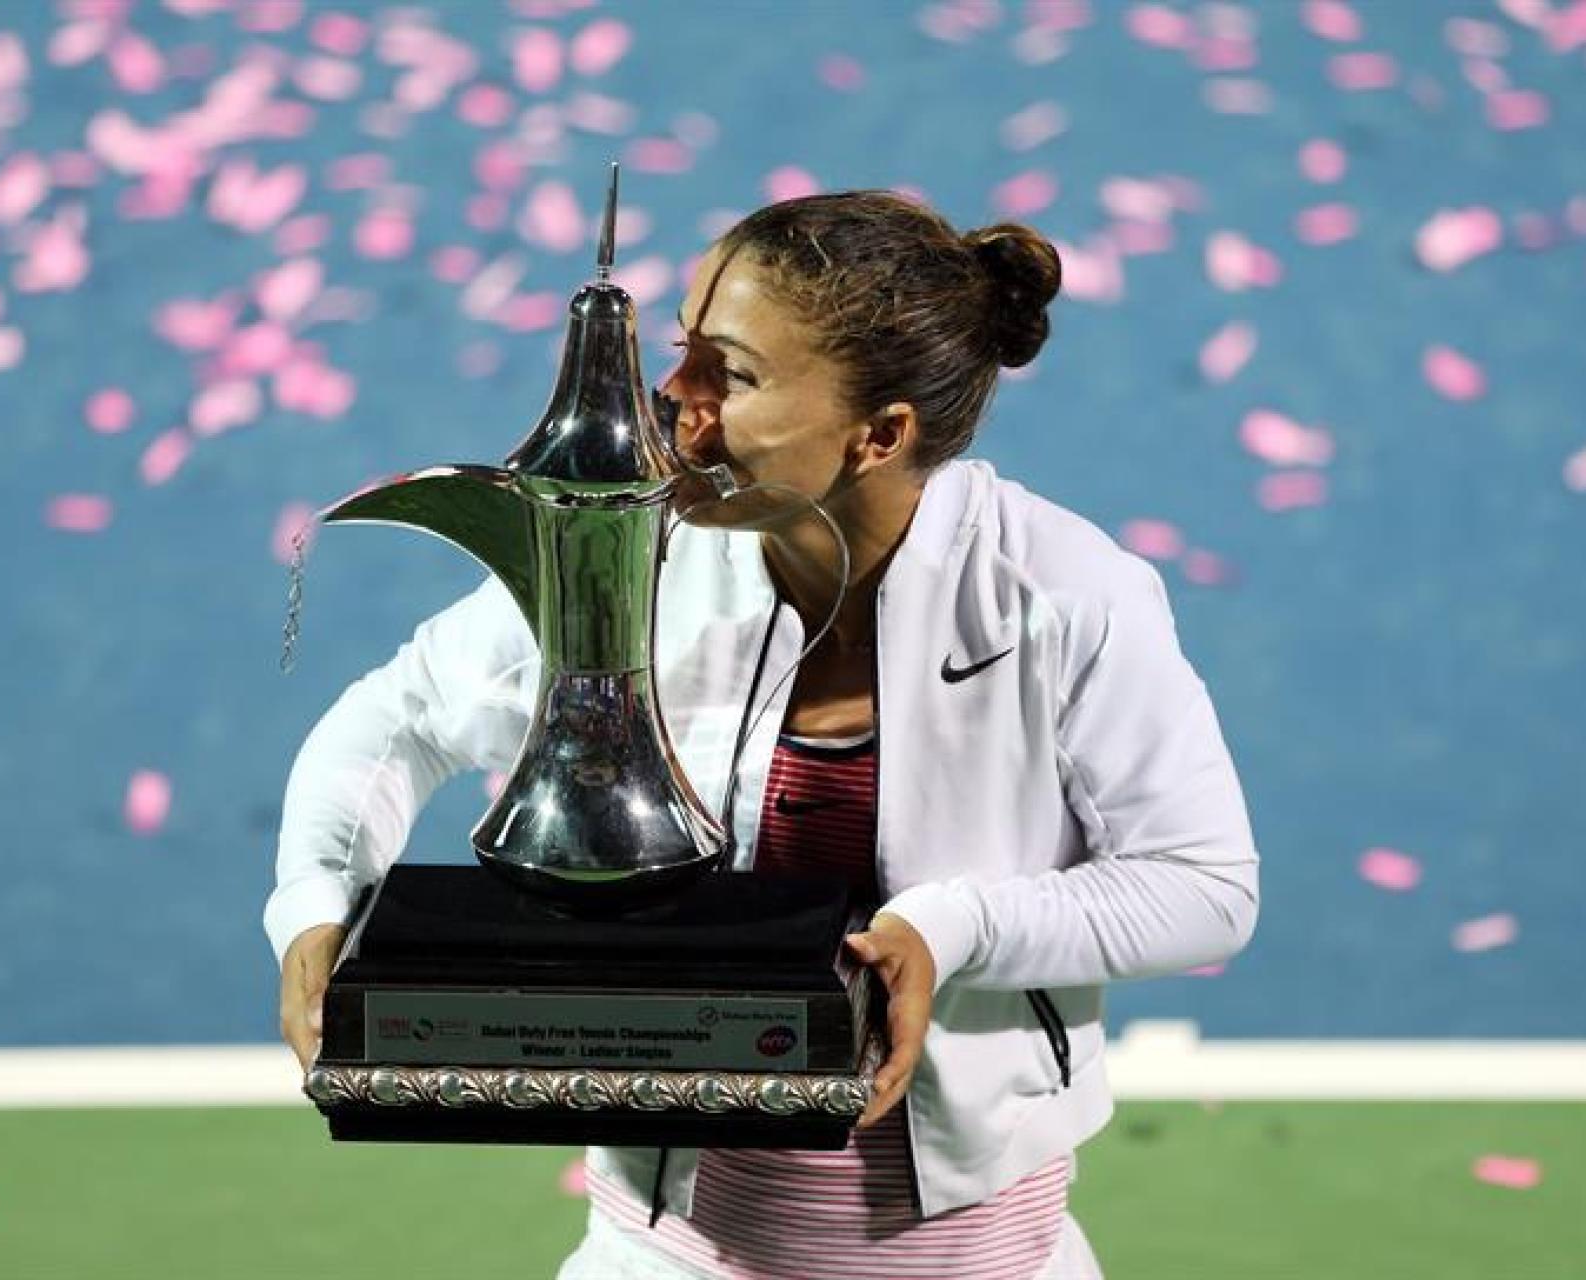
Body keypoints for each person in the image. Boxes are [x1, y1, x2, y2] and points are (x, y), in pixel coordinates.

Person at [266, 191, 1261, 1280]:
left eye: (729, 375)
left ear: (876, 434)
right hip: (663, 1255)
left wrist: (950, 925)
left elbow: (1201, 882)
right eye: (685, 346)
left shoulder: (1063, 596)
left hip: (978, 1260)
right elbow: (392, 716)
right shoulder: (644, 559)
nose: (672, 396)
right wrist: (318, 902)